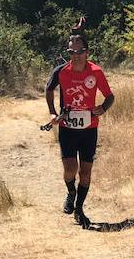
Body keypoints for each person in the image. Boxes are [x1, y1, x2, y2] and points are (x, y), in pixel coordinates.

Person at [44, 20, 114, 227]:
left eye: (79, 51)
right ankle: (70, 192)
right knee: (70, 170)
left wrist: (103, 108)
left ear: (87, 52)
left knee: (86, 172)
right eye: (71, 51)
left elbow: (110, 96)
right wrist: (52, 113)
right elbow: (49, 90)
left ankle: (80, 208)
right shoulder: (61, 71)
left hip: (89, 129)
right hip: (67, 128)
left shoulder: (96, 72)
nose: (75, 55)